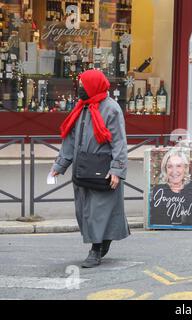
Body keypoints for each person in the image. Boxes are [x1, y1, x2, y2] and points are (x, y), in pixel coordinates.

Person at [50, 69, 129, 268]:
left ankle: (95, 250)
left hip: (104, 170)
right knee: (84, 211)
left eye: (84, 85)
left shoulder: (111, 109)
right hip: (82, 170)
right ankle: (103, 240)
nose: (81, 89)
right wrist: (59, 166)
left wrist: (117, 170)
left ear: (94, 85)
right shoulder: (80, 108)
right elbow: (69, 140)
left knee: (98, 211)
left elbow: (119, 142)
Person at [150, 149, 192, 227]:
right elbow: (156, 220)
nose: (174, 171)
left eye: (178, 166)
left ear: (185, 168)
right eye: (170, 166)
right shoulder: (159, 191)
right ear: (165, 169)